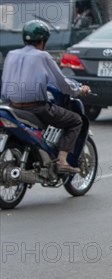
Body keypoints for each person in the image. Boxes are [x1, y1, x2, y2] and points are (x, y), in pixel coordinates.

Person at [0, 20, 91, 175]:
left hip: (12, 107)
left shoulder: (11, 54)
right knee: (76, 120)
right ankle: (62, 161)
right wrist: (78, 89)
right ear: (43, 41)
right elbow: (62, 83)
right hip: (36, 108)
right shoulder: (43, 56)